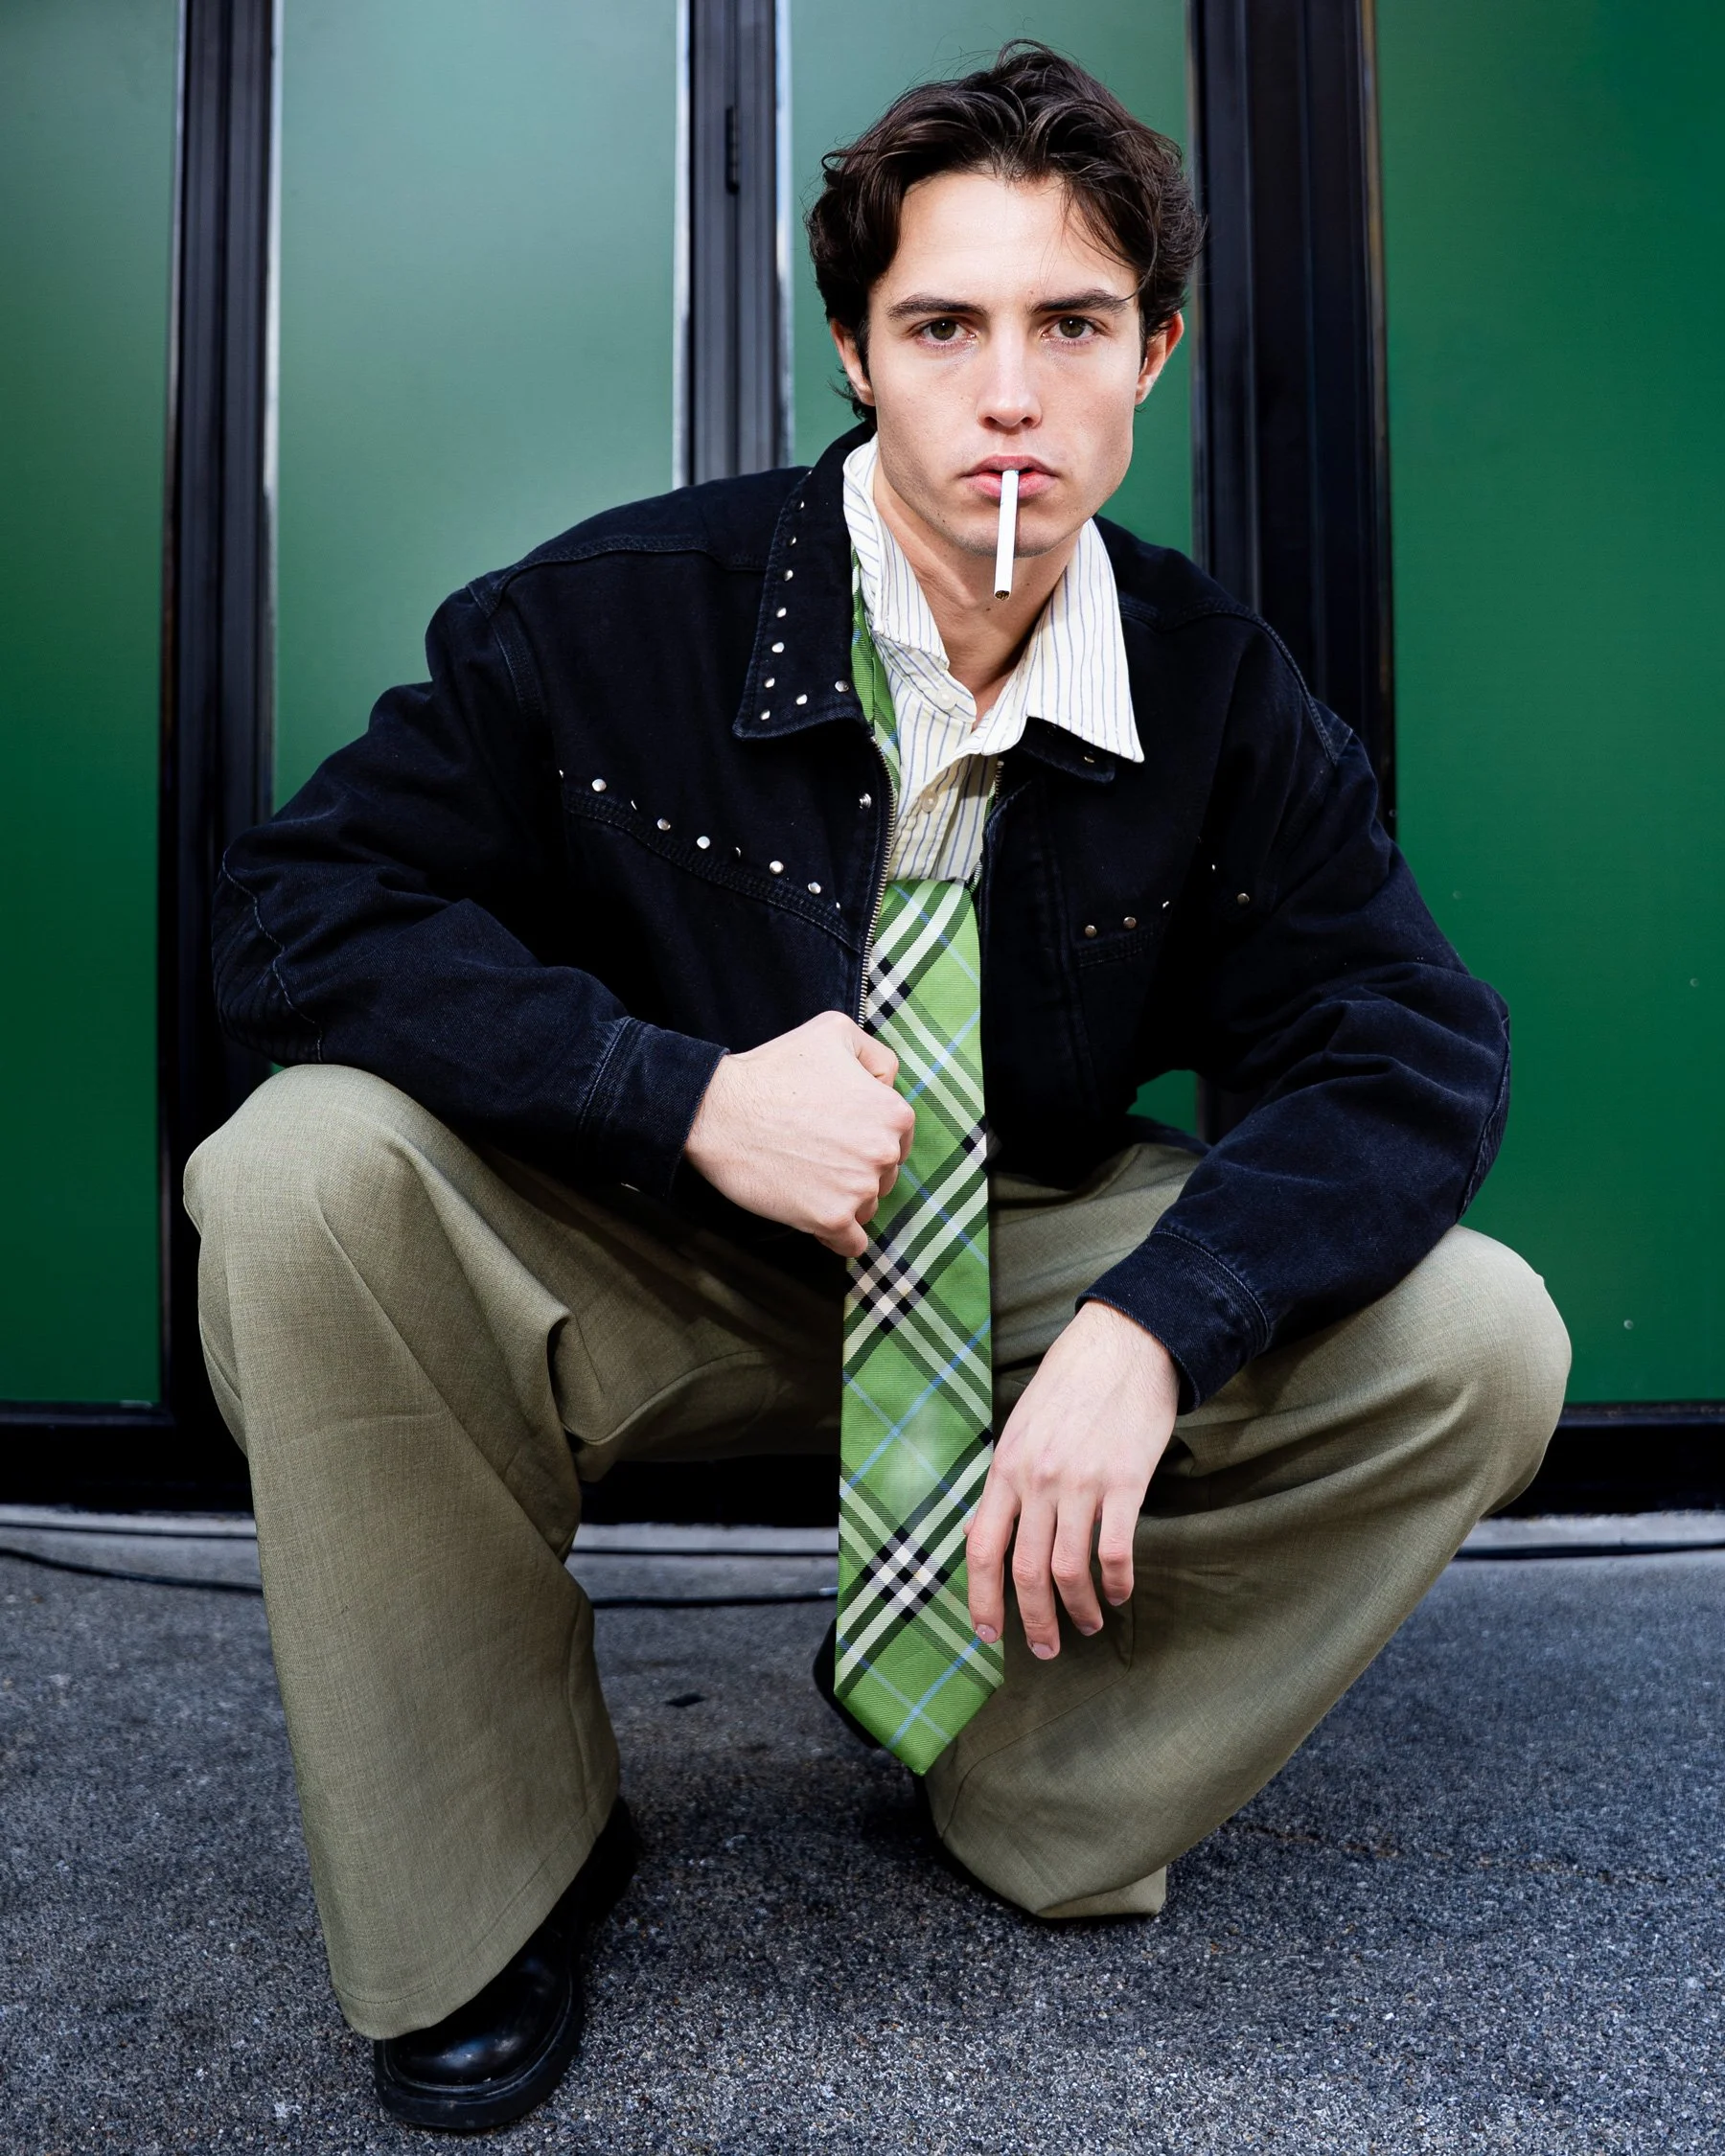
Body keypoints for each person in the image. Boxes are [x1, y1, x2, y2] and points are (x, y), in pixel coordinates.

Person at [186, 41, 1569, 2135]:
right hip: (664, 1248)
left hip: (1015, 1253)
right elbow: (296, 913)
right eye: (944, 325)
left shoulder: (1216, 689)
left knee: (1484, 1333)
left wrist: (1150, 1328)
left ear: (1152, 356)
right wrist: (674, 1093)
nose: (1006, 393)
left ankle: (1020, 1770)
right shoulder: (601, 622)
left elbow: (1403, 1040)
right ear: (858, 347)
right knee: (294, 1175)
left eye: (1071, 325)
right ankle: (498, 1862)